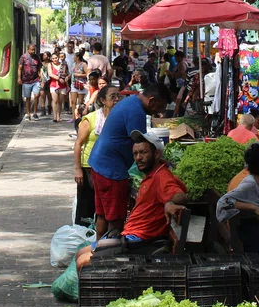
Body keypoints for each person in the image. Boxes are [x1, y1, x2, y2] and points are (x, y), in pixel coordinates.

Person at [75, 129, 188, 270]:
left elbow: (180, 195)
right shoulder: (153, 174)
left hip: (140, 242)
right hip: (129, 235)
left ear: (157, 153)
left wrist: (169, 203)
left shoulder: (161, 177)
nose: (138, 158)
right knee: (80, 254)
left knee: (82, 262)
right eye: (135, 154)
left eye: (143, 152)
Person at [87, 83, 172, 238]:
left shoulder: (130, 101)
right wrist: (161, 163)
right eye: (160, 107)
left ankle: (97, 251)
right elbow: (142, 148)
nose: (160, 112)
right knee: (115, 218)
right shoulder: (136, 112)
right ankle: (109, 254)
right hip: (111, 169)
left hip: (100, 163)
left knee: (103, 215)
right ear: (152, 100)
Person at [74, 87, 122, 227]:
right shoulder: (91, 119)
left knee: (103, 207)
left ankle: (99, 238)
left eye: (118, 96)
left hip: (109, 169)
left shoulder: (119, 118)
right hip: (89, 168)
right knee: (86, 206)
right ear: (102, 100)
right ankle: (82, 234)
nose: (117, 100)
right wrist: (78, 169)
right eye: (112, 97)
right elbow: (78, 144)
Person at [18, 43, 41, 121]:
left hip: (36, 80)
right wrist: (19, 78)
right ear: (28, 49)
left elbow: (39, 68)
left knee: (37, 95)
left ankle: (35, 113)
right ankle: (28, 114)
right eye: (32, 49)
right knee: (27, 98)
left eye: (34, 49)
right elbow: (20, 68)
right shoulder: (23, 57)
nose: (33, 51)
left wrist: (41, 77)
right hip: (26, 80)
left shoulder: (37, 57)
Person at [49, 52, 68, 123]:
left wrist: (66, 78)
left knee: (60, 101)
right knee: (55, 100)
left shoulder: (63, 65)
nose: (55, 59)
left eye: (56, 58)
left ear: (58, 58)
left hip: (62, 85)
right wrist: (58, 78)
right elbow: (50, 74)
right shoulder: (50, 65)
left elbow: (67, 73)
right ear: (51, 59)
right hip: (53, 85)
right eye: (53, 58)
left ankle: (58, 116)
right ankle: (54, 116)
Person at [71, 50, 89, 119]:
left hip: (81, 84)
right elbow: (72, 73)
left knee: (80, 101)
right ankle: (73, 117)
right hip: (74, 83)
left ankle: (79, 116)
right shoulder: (73, 64)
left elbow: (88, 74)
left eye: (74, 57)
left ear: (78, 57)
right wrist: (68, 77)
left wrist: (79, 75)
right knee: (73, 101)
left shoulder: (84, 64)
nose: (73, 58)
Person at [38, 51, 53, 120]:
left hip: (50, 81)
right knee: (42, 94)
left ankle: (49, 107)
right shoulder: (41, 64)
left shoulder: (51, 64)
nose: (44, 56)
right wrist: (41, 78)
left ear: (48, 56)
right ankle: (43, 109)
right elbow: (39, 72)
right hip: (43, 81)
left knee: (49, 95)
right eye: (43, 55)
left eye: (45, 55)